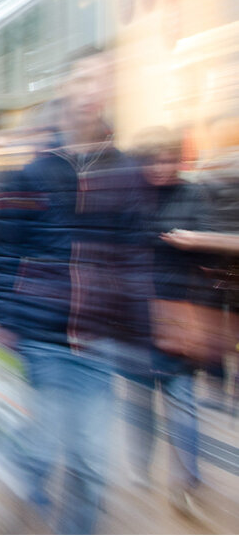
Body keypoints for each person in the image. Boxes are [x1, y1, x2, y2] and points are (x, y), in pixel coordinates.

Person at [0, 47, 153, 534]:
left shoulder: (125, 173)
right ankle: (18, 474)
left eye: (101, 81)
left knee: (93, 465)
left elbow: (136, 255)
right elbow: (3, 249)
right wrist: (3, 317)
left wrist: (141, 332)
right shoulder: (32, 172)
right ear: (67, 89)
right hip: (45, 334)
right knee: (44, 444)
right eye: (82, 79)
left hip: (100, 338)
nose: (90, 90)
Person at [126, 127, 210, 515]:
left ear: (179, 160)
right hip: (139, 315)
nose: (160, 167)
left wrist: (196, 241)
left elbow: (213, 251)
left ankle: (187, 479)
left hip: (180, 311)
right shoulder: (132, 196)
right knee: (141, 398)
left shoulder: (194, 195)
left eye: (167, 159)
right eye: (153, 160)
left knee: (182, 399)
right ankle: (140, 469)